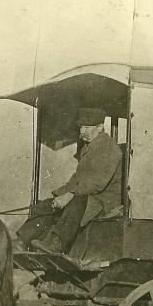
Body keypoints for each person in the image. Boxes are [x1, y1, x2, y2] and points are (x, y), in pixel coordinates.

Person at [26, 107, 123, 253]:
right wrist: (59, 195)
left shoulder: (110, 149)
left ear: (100, 127)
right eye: (81, 127)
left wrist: (70, 195)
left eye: (87, 127)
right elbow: (76, 180)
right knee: (45, 205)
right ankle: (22, 242)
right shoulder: (89, 148)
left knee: (76, 202)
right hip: (87, 195)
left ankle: (56, 245)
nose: (82, 131)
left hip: (105, 200)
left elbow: (97, 183)